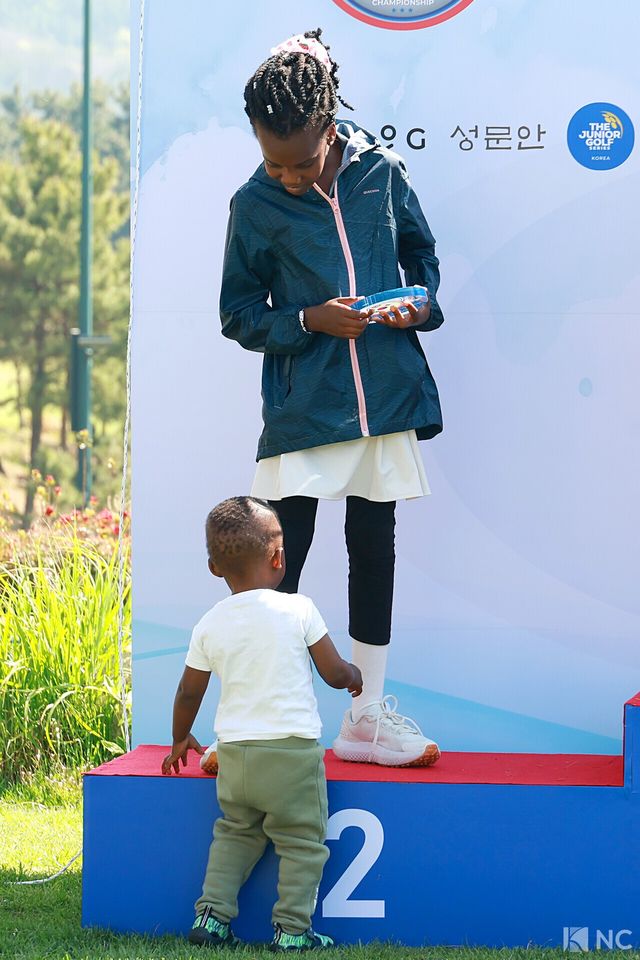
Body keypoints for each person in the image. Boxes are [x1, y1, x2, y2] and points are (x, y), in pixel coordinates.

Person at [220, 28, 444, 767]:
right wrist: (308, 320)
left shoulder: (383, 172)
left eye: (302, 160)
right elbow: (240, 313)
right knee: (278, 564)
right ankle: (252, 725)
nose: (286, 176)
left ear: (329, 126)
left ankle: (366, 719)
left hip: (383, 397)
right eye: (271, 160)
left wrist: (419, 301)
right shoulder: (253, 204)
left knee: (372, 549)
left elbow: (422, 255)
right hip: (304, 409)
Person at [162, 496, 362, 951]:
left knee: (235, 833)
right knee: (302, 842)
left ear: (214, 568)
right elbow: (333, 673)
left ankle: (211, 917)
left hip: (235, 756)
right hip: (291, 755)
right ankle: (292, 930)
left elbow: (189, 692)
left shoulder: (209, 624)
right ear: (279, 558)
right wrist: (354, 675)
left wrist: (179, 738)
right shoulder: (298, 610)